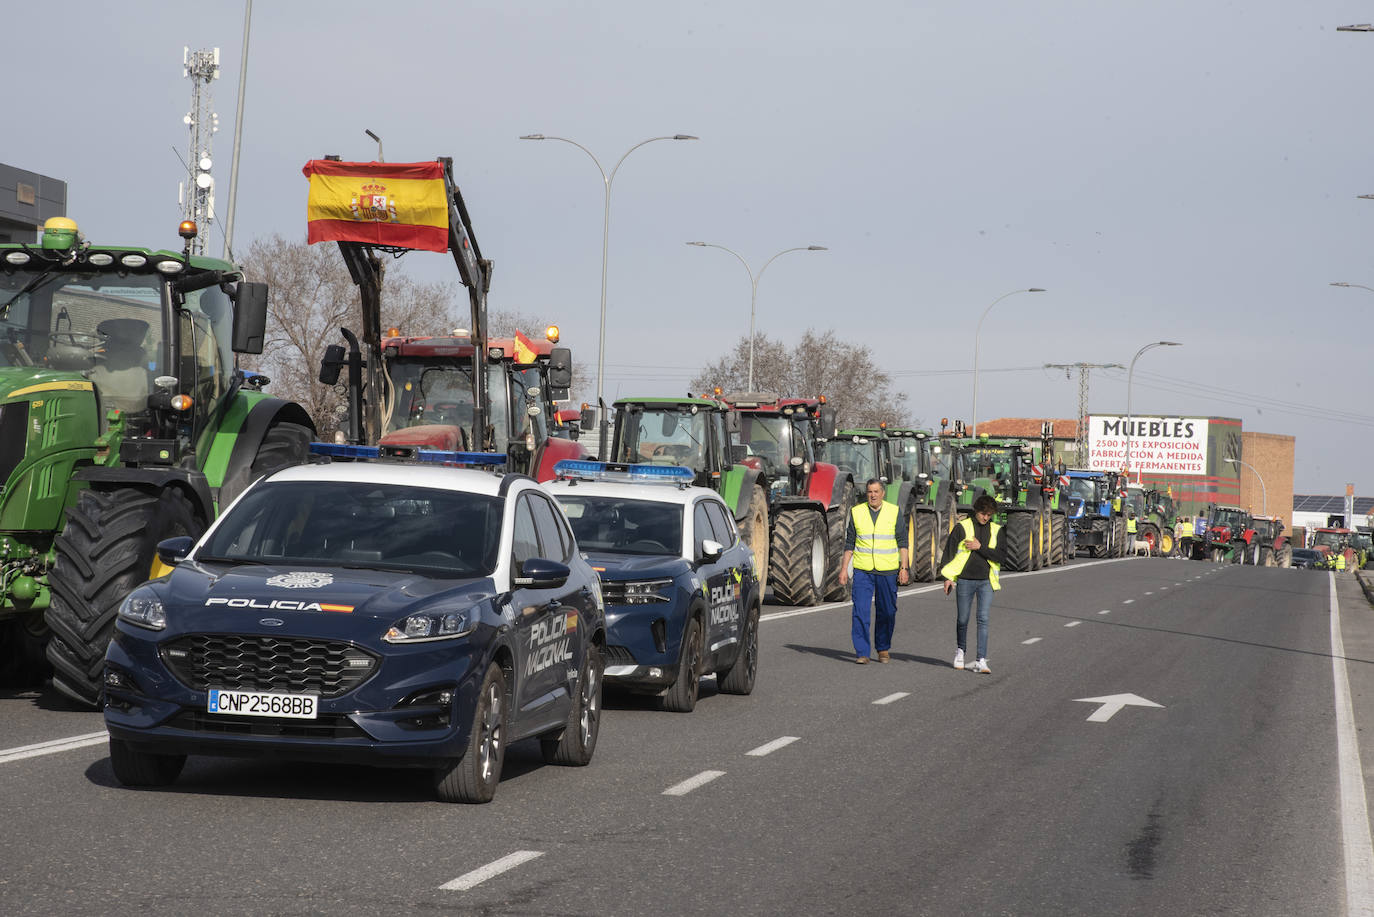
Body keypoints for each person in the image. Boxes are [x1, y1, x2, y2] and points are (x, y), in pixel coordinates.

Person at [839, 478, 910, 664]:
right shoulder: (857, 512)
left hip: (888, 570)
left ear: (883, 493)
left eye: (876, 491)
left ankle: (883, 648)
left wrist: (904, 567)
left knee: (887, 611)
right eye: (870, 492)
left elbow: (903, 543)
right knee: (860, 610)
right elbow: (850, 544)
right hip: (863, 570)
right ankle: (862, 652)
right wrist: (844, 569)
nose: (873, 495)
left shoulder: (894, 512)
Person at [940, 494, 1005, 674]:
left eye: (989, 514)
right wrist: (948, 578)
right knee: (963, 619)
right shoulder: (962, 527)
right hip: (965, 580)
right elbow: (949, 553)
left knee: (983, 619)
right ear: (976, 511)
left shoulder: (997, 530)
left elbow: (1001, 557)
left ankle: (981, 659)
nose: (986, 517)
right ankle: (960, 651)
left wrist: (980, 547)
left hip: (986, 581)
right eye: (983, 513)